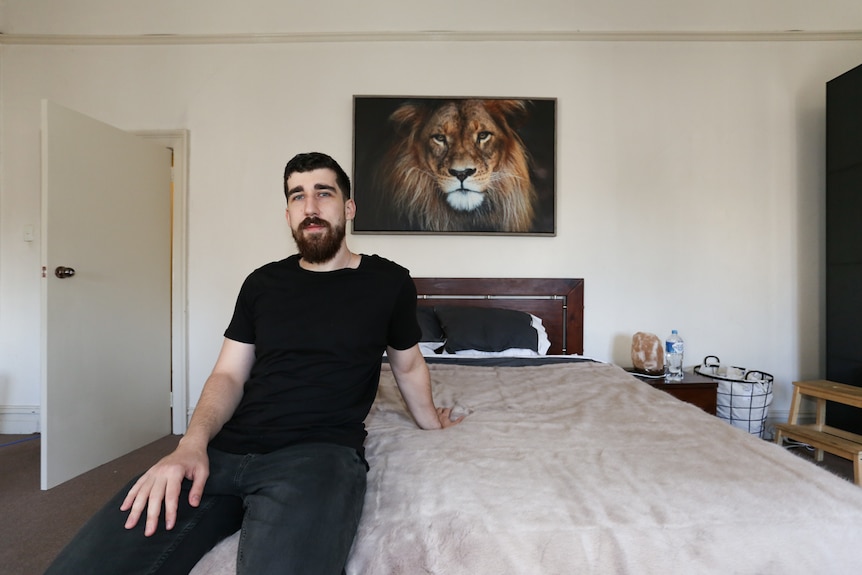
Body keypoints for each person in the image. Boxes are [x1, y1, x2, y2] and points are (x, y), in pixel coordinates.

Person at [47, 152, 464, 575]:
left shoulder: (387, 282)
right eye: (298, 196)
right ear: (288, 214)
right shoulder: (262, 283)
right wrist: (190, 444)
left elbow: (407, 365)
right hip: (224, 450)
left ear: (348, 207)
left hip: (317, 456)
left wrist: (431, 421)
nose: (311, 207)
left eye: (324, 193)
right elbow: (228, 373)